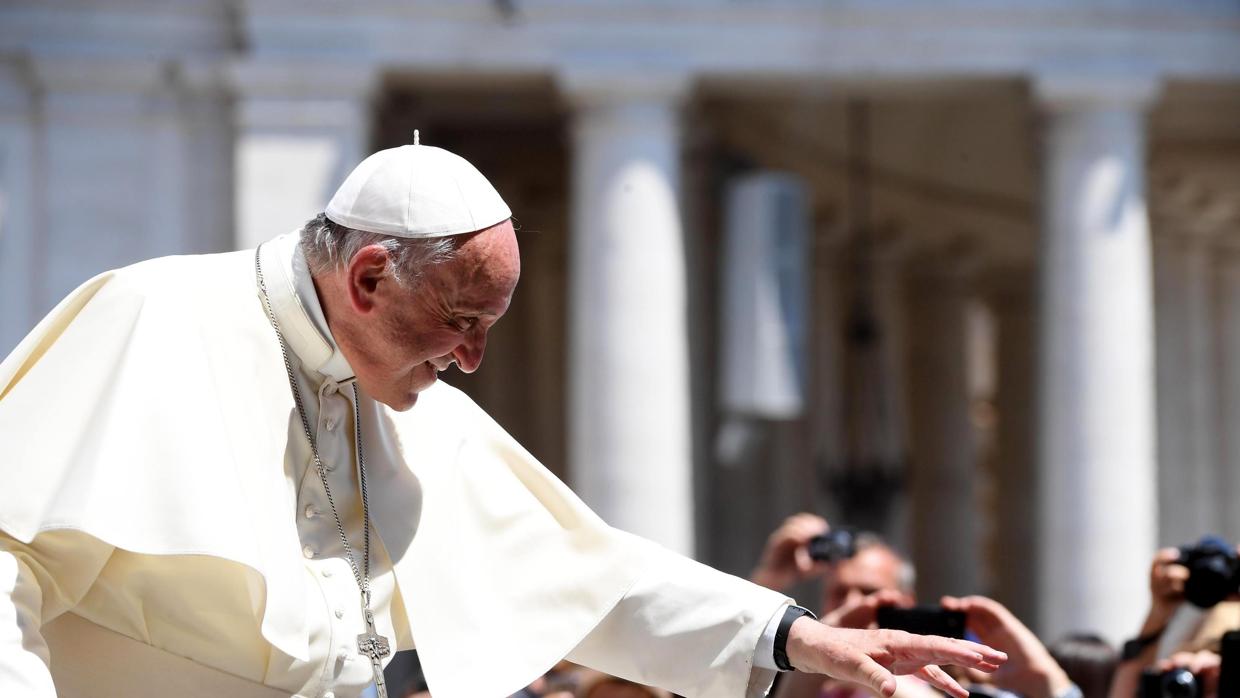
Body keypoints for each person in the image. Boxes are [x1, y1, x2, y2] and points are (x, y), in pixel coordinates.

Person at [0, 142, 1005, 698]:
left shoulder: (405, 398)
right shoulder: (155, 314)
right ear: (365, 277)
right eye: (461, 320)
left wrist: (795, 636)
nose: (471, 358)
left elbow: (586, 576)